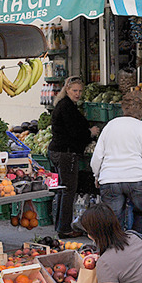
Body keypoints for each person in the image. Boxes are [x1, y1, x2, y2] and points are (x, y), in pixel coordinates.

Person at [89, 90, 142, 235]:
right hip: (137, 179)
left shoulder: (110, 125)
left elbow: (97, 157)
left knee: (113, 221)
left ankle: (113, 251)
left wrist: (96, 174)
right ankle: (136, 247)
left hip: (110, 179)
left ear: (123, 107)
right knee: (141, 214)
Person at [48, 76, 100, 238]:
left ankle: (61, 227)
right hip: (66, 153)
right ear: (67, 90)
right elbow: (75, 132)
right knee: (68, 190)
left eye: (80, 91)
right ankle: (64, 229)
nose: (78, 94)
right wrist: (90, 133)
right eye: (74, 90)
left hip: (57, 151)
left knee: (63, 190)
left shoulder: (64, 105)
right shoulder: (67, 107)